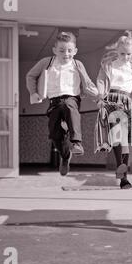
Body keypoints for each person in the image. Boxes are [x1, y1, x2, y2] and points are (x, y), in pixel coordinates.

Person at [26, 31, 98, 176]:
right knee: (55, 135)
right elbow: (31, 76)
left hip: (72, 99)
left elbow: (88, 82)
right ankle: (65, 157)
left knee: (68, 106)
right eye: (62, 50)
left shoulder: (77, 64)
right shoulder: (47, 62)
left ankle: (77, 143)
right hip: (54, 102)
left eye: (70, 50)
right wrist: (33, 92)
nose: (66, 54)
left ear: (75, 51)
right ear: (54, 50)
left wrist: (97, 93)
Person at [96, 31, 132, 189]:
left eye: (128, 54)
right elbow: (100, 81)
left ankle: (123, 176)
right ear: (117, 51)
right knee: (118, 137)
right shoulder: (109, 66)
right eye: (122, 53)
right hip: (112, 100)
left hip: (127, 102)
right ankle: (123, 176)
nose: (125, 57)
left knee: (124, 142)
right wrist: (100, 97)